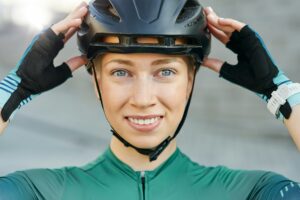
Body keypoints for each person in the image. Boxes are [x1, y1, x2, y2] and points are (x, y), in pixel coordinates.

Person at [0, 0, 300, 199]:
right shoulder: (40, 192)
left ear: (191, 80)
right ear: (96, 81)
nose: (143, 99)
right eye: (120, 72)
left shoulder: (251, 192)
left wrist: (281, 93)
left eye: (165, 71)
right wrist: (13, 92)